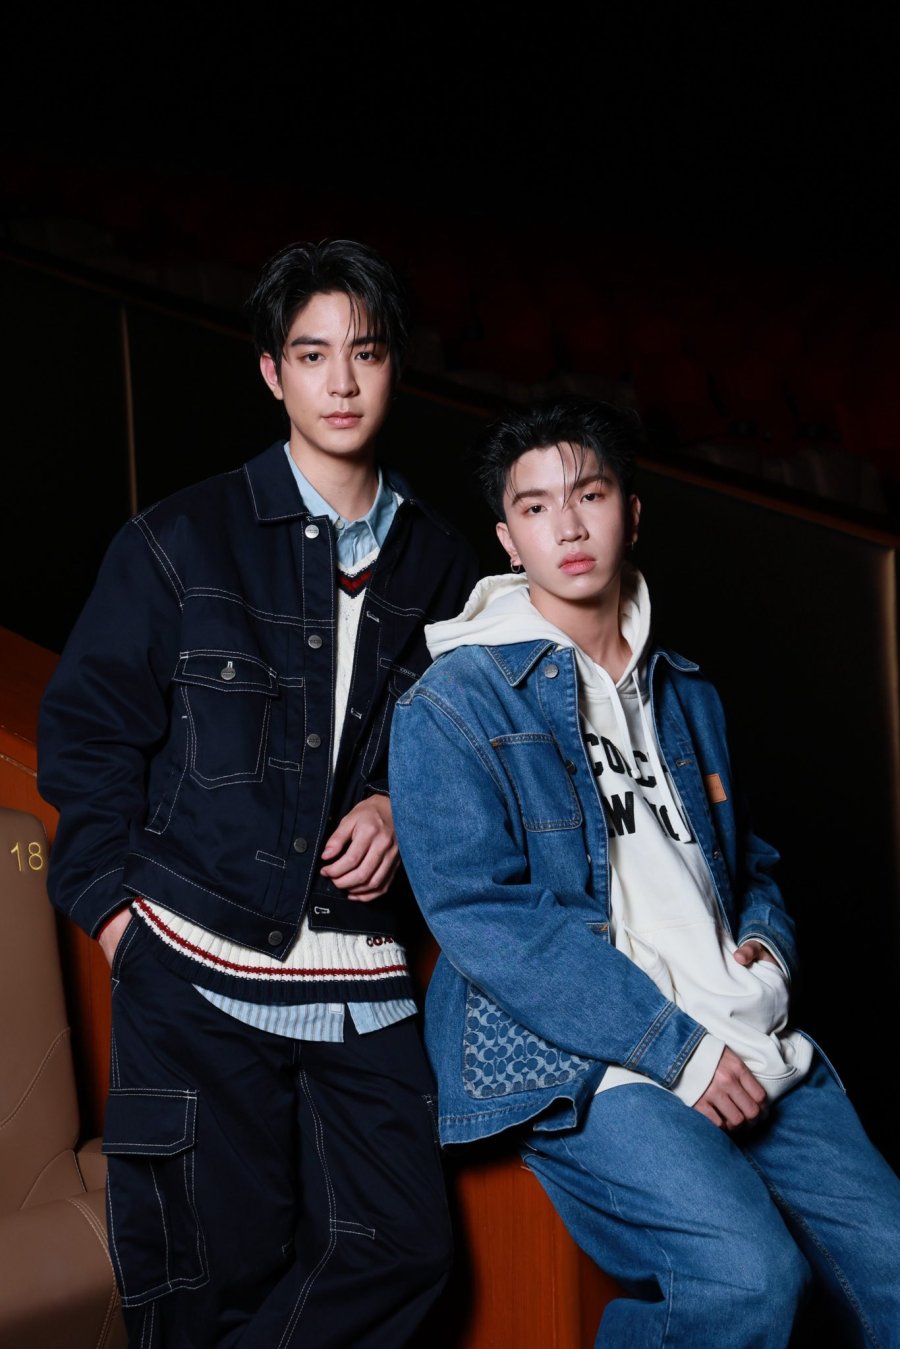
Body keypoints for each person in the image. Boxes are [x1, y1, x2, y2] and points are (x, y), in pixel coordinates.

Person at [38, 238, 479, 1348]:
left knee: (405, 1246)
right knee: (203, 1284)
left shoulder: (448, 571)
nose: (342, 381)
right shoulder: (182, 539)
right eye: (313, 354)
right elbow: (86, 737)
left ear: (394, 365)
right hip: (192, 965)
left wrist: (401, 806)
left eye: (365, 352)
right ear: (274, 373)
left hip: (361, 977)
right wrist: (118, 921)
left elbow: (476, 758)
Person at [389, 394, 900, 1345]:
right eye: (536, 506)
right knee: (749, 1276)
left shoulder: (687, 690)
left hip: (740, 1027)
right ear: (508, 539)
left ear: (631, 511)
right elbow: (487, 920)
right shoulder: (453, 703)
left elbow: (749, 865)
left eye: (589, 494)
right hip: (589, 1059)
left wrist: (767, 948)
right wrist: (676, 1049)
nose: (568, 525)